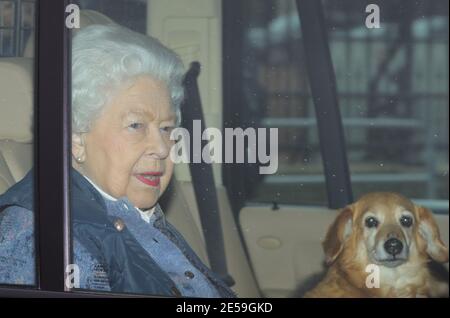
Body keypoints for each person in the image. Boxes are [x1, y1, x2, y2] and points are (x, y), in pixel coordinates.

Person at [0, 24, 235, 298]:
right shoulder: (46, 238)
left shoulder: (134, 216)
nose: (162, 148)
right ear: (76, 138)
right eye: (136, 125)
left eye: (167, 128)